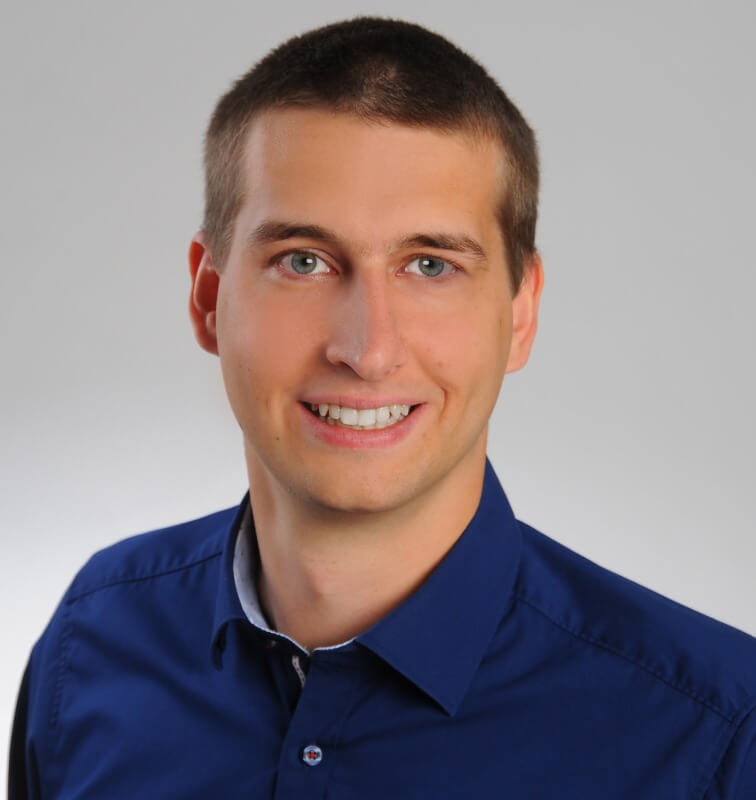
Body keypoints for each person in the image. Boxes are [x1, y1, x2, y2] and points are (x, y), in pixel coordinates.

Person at [9, 16, 756, 799]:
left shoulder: (717, 738)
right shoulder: (90, 645)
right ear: (207, 297)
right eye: (304, 261)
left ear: (521, 312)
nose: (367, 350)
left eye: (430, 265)